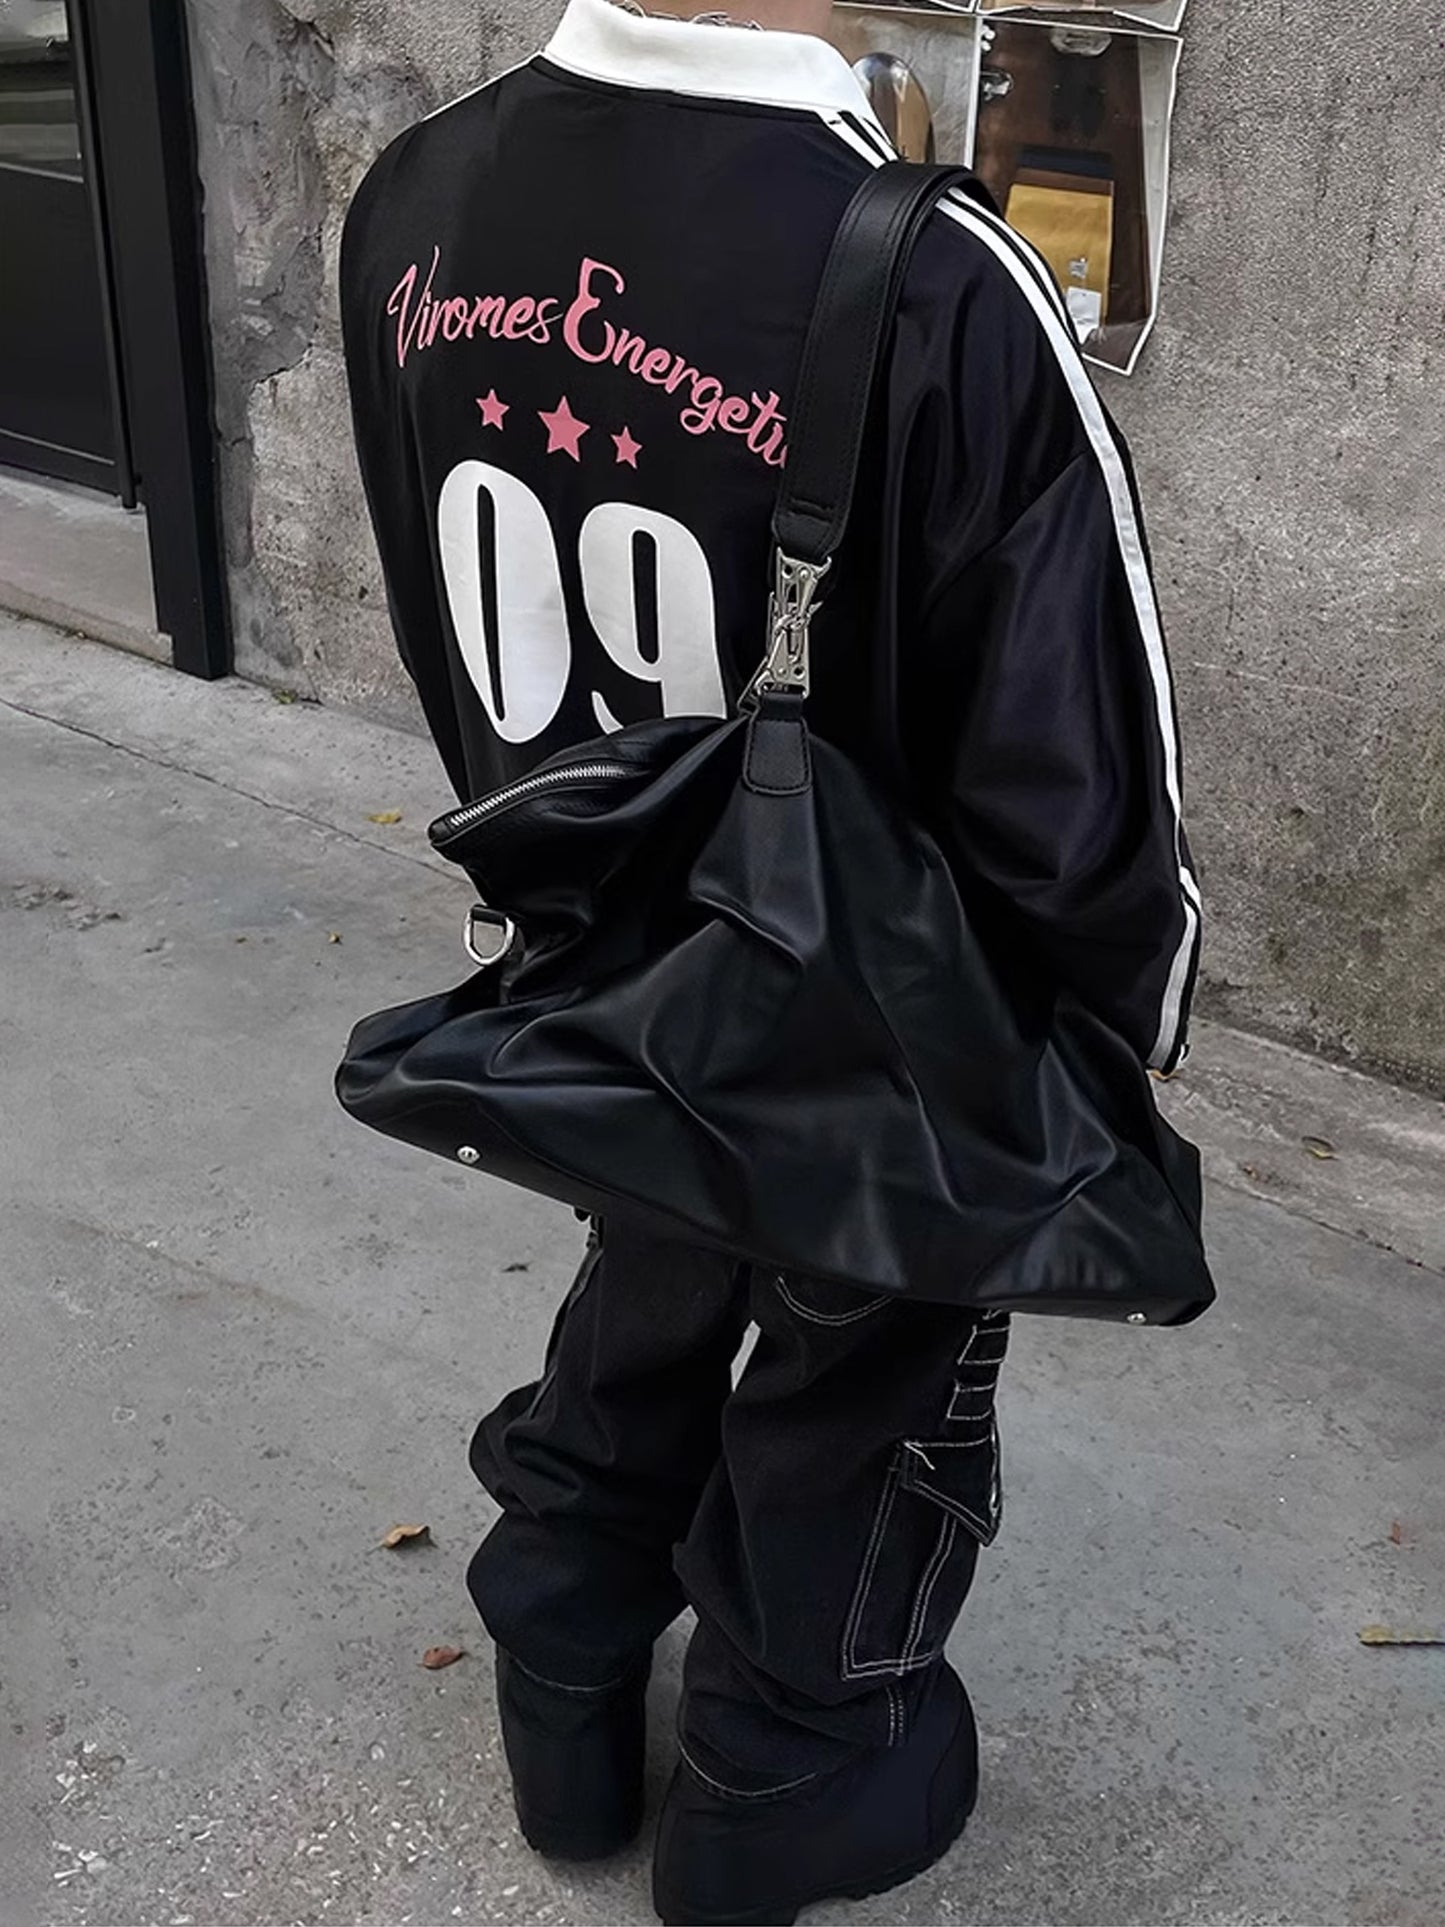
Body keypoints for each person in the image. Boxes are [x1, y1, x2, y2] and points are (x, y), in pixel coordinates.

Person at [340, 0, 1201, 1920]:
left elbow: (421, 585)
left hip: (592, 973)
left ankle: (564, 1669)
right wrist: (1094, 1058)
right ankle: (782, 1769)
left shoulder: (417, 190)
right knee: (859, 1370)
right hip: (859, 1019)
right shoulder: (932, 269)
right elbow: (1072, 770)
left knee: (650, 1264)